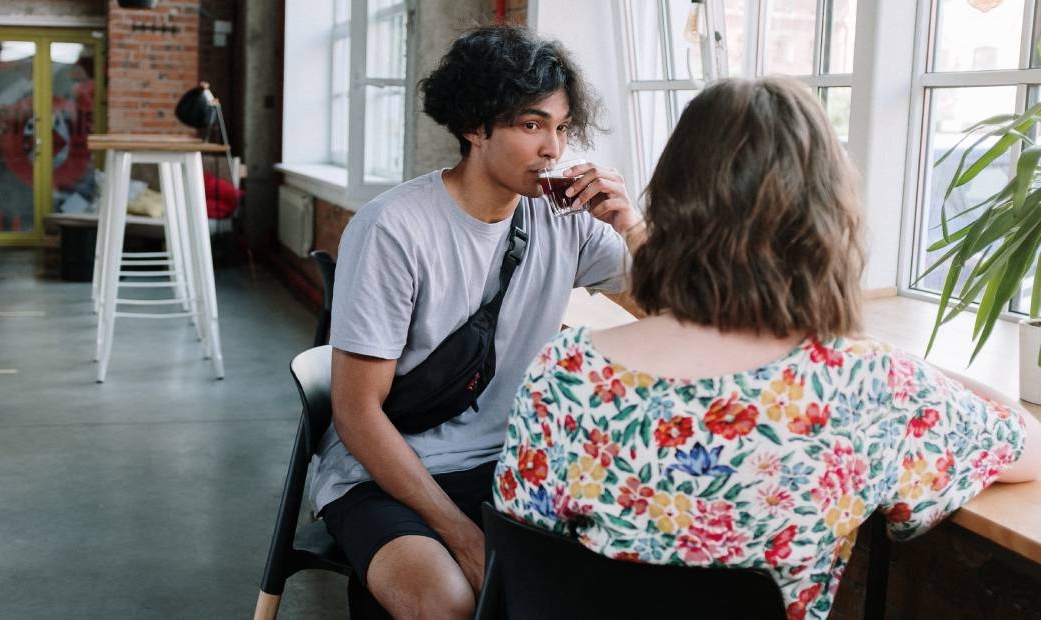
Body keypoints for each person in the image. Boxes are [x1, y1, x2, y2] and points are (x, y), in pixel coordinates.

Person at [492, 77, 1041, 620]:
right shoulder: (870, 383)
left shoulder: (563, 371)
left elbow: (526, 560)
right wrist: (911, 369)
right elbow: (1028, 448)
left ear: (673, 198)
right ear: (826, 217)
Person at [312, 24, 644, 618]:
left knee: (619, 568)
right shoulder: (393, 228)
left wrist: (633, 226)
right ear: (474, 125)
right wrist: (463, 536)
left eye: (561, 128)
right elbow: (356, 415)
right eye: (530, 124)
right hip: (386, 471)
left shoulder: (562, 218)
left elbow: (680, 303)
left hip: (508, 464)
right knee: (448, 600)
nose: (553, 150)